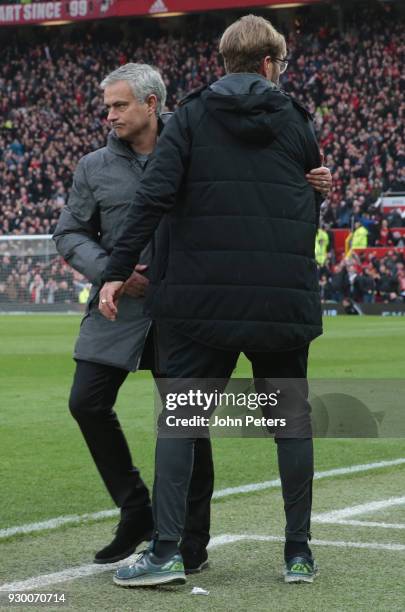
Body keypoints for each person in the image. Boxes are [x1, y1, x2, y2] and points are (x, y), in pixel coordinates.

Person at [100, 16, 332, 587]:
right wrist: (317, 192)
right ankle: (298, 554)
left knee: (180, 421)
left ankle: (166, 552)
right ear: (271, 63)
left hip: (200, 299)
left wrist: (113, 272)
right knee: (291, 423)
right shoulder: (298, 120)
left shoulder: (191, 118)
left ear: (224, 59)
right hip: (281, 301)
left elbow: (152, 198)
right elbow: (306, 203)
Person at [53, 63, 215, 573]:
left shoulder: (196, 154)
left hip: (182, 309)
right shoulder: (93, 166)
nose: (110, 115)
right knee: (86, 402)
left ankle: (192, 539)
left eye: (119, 105)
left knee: (186, 420)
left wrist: (309, 183)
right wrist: (112, 270)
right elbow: (70, 233)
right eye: (107, 106)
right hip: (116, 305)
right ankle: (136, 510)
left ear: (151, 103)